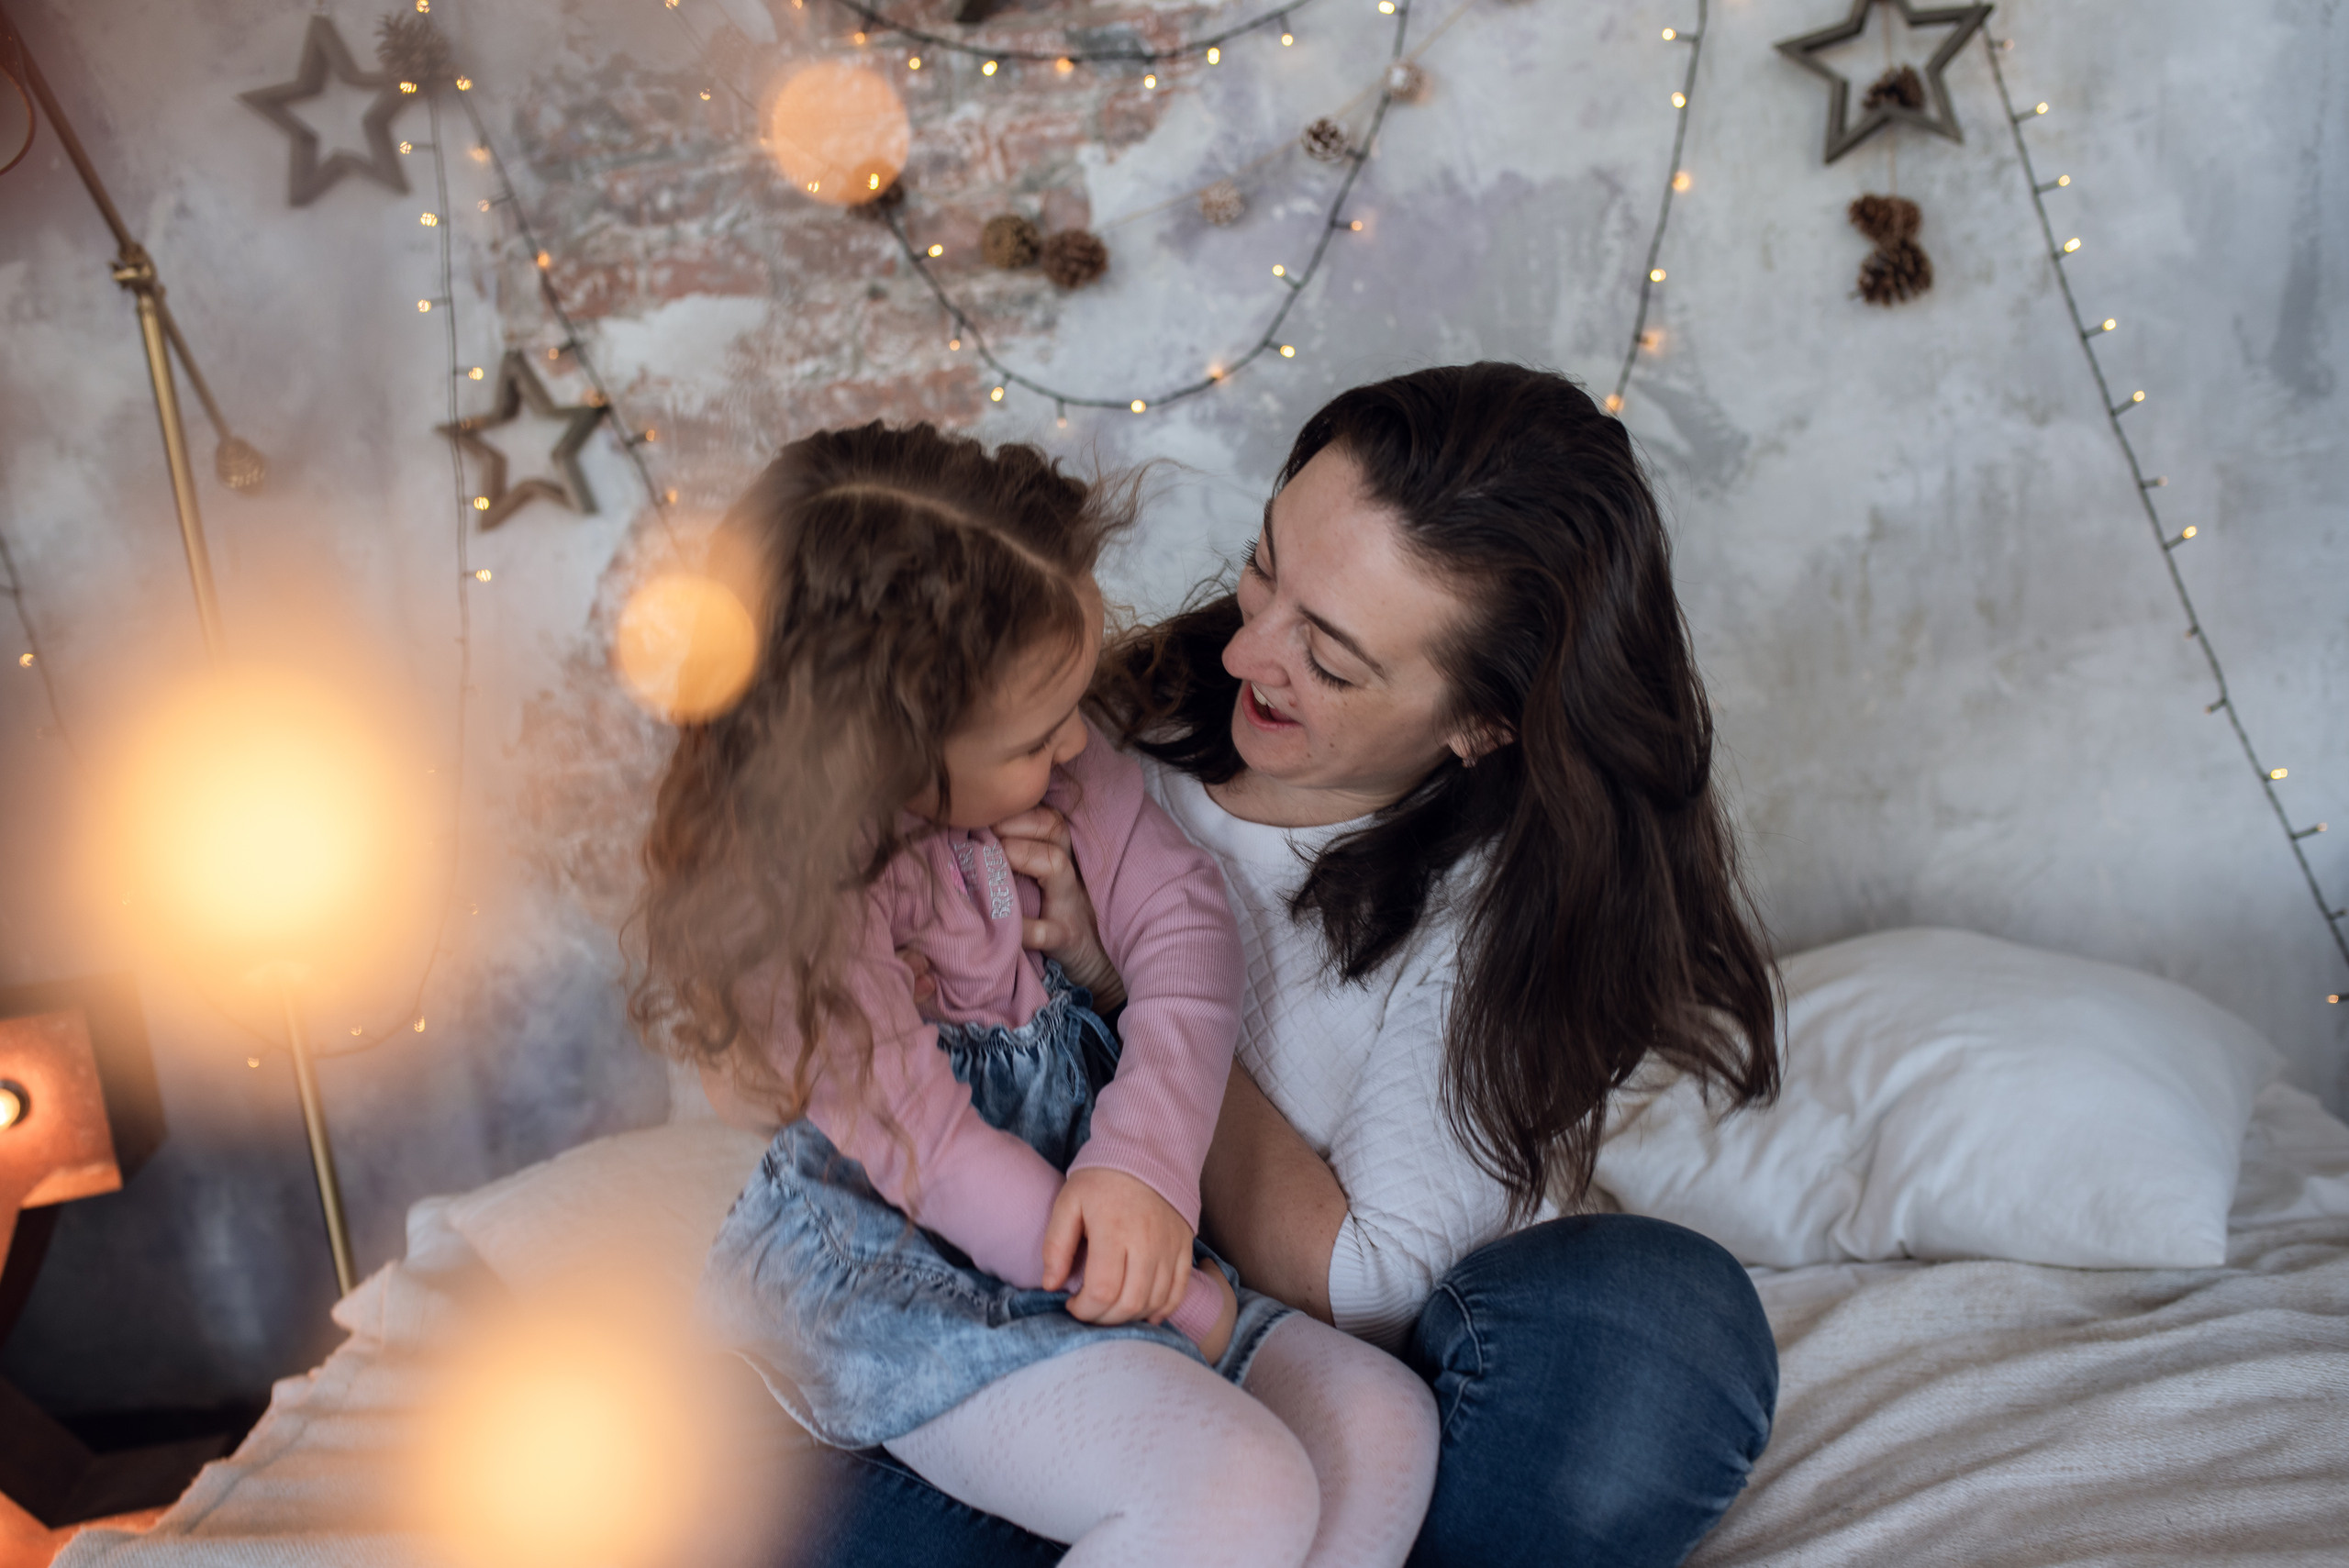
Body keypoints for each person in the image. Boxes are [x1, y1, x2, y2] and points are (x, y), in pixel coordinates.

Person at [780, 364, 1786, 1568]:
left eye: (1335, 657)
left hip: (1262, 1349)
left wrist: (1114, 982)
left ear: (1488, 722)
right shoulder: (1071, 729)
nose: (1248, 648)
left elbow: (1365, 1288)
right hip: (1021, 1319)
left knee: (1651, 1333)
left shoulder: (1508, 913)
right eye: (1265, 565)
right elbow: (870, 1076)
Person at [631, 423, 1442, 1568]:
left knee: (1382, 1422)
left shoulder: (1064, 771)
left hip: (1107, 1226)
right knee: (1238, 1485)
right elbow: (932, 1150)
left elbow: (1185, 926)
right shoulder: (800, 907)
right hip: (909, 1267)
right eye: (1032, 729)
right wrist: (1161, 1291)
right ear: (883, 751)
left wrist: (1143, 1164)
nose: (1079, 739)